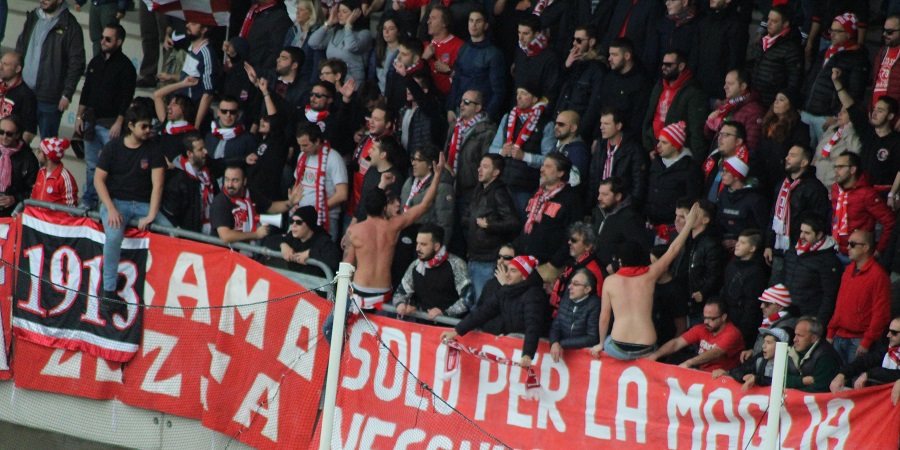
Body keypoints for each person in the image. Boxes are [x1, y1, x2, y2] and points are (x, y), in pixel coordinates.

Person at [337, 154, 446, 338]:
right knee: (379, 342)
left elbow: (346, 268)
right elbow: (425, 205)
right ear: (384, 208)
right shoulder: (393, 227)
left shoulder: (353, 231)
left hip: (358, 292)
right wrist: (437, 176)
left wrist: (343, 302)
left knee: (340, 334)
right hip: (383, 294)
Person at [590, 203, 699, 360]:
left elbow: (604, 318)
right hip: (646, 347)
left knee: (607, 342)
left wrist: (601, 344)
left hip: (618, 347)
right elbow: (673, 249)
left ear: (620, 261)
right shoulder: (650, 275)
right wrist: (689, 224)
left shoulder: (610, 281)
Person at [94, 106, 172, 299]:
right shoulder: (113, 147)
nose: (148, 130)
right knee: (113, 237)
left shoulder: (154, 149)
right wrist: (110, 208)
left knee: (171, 233)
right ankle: (109, 290)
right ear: (130, 126)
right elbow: (98, 180)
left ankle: (167, 285)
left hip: (144, 205)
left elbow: (158, 185)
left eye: (150, 126)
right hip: (116, 202)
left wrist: (151, 215)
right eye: (143, 127)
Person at [439, 255, 550, 369]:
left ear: (524, 276)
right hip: (515, 349)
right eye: (508, 270)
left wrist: (528, 354)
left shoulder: (534, 295)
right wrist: (457, 330)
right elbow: (483, 311)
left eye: (513, 271)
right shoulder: (506, 291)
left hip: (537, 355)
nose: (507, 274)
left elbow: (533, 326)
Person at [77, 24, 136, 213]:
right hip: (91, 121)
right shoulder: (95, 62)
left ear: (119, 42)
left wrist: (119, 122)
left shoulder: (126, 67)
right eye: (102, 37)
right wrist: (79, 116)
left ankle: (112, 204)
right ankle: (90, 201)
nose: (103, 41)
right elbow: (86, 91)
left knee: (113, 166)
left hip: (110, 124)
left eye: (108, 39)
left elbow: (126, 98)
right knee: (91, 166)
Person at [16, 0, 85, 140]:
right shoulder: (33, 17)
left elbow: (77, 64)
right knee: (16, 141)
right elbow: (20, 48)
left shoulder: (70, 26)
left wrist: (67, 94)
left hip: (50, 97)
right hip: (24, 91)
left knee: (48, 146)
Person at [764, 145, 830, 283]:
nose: (787, 158)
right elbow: (773, 216)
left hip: (801, 253)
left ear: (804, 162)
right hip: (778, 250)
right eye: (788, 154)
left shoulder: (815, 189)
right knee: (775, 291)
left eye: (793, 156)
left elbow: (819, 222)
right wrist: (769, 244)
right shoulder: (782, 185)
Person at [801, 13, 868, 146]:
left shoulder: (857, 59)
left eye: (837, 31)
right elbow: (810, 80)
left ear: (849, 34)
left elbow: (855, 93)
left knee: (822, 155)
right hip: (807, 111)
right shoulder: (825, 52)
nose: (832, 34)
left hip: (827, 118)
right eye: (831, 30)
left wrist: (837, 116)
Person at [827, 230, 892, 364]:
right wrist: (831, 332)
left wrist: (867, 341)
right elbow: (840, 304)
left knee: (853, 377)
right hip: (839, 336)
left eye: (852, 244)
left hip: (858, 340)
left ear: (865, 247)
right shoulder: (849, 270)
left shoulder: (878, 276)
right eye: (847, 243)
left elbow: (881, 313)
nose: (848, 247)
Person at [488, 82, 550, 215]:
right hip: (501, 183)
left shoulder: (546, 124)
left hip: (526, 188)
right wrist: (502, 151)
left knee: (520, 223)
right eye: (517, 93)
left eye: (524, 93)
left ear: (534, 99)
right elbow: (492, 149)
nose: (518, 97)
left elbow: (549, 160)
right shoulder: (507, 117)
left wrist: (525, 156)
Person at [464, 154, 519, 303]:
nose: (479, 169)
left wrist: (489, 225)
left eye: (485, 167)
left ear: (496, 172)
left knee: (483, 303)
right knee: (471, 303)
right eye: (480, 166)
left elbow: (513, 222)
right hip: (474, 256)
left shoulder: (499, 192)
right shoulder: (478, 189)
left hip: (488, 260)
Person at [833, 69, 900, 188]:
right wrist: (837, 83)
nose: (874, 113)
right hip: (861, 189)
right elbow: (850, 106)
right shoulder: (867, 131)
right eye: (874, 109)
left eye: (880, 111)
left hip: (883, 192)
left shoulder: (896, 141)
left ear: (890, 116)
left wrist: (892, 194)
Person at [209, 162, 302, 244]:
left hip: (243, 253)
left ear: (244, 181)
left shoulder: (250, 194)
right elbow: (226, 236)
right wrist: (255, 234)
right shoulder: (220, 202)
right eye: (227, 180)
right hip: (224, 255)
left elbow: (272, 207)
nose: (230, 185)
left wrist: (291, 203)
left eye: (235, 180)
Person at [518, 152, 583, 268]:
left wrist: (555, 263)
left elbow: (574, 234)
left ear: (560, 173)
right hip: (525, 261)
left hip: (549, 266)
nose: (542, 169)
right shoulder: (536, 195)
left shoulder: (571, 199)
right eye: (543, 165)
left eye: (548, 166)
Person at [394, 224, 471, 320]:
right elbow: (401, 292)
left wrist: (445, 312)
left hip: (450, 326)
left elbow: (468, 298)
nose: (417, 248)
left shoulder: (456, 265)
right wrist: (400, 304)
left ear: (436, 246)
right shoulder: (415, 265)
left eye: (423, 244)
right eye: (417, 243)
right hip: (422, 325)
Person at [642, 49, 708, 158]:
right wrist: (649, 147)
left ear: (681, 66)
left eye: (668, 65)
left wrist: (696, 159)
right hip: (655, 148)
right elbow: (649, 117)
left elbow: (697, 130)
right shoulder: (659, 86)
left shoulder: (694, 92)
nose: (663, 67)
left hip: (677, 154)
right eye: (663, 64)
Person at [645, 121, 703, 243]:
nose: (658, 145)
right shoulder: (656, 162)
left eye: (664, 142)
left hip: (674, 229)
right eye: (659, 141)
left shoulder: (690, 169)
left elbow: (692, 199)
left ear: (675, 146)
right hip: (650, 224)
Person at [647, 299, 744, 371]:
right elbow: (676, 343)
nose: (706, 322)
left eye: (711, 319)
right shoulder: (701, 328)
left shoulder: (732, 333)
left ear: (723, 317)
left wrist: (689, 363)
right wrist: (655, 355)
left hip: (723, 378)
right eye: (704, 317)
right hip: (701, 373)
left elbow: (716, 352)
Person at [831, 152, 895, 258]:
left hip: (858, 256)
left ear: (853, 170)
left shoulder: (868, 194)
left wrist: (879, 250)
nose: (836, 170)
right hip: (835, 249)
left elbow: (890, 222)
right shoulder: (835, 189)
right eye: (835, 167)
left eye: (840, 167)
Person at [444, 90, 495, 223]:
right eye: (461, 101)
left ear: (478, 108)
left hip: (470, 191)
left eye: (467, 102)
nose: (461, 105)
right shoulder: (454, 126)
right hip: (450, 186)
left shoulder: (487, 131)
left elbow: (487, 163)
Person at [782, 213, 842, 325]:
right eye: (801, 231)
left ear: (819, 235)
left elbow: (829, 296)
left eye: (807, 233)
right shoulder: (792, 251)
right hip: (786, 313)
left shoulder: (828, 260)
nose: (802, 236)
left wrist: (819, 323)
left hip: (809, 318)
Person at [446, 9, 505, 121]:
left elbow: (498, 91)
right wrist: (450, 108)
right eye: (471, 20)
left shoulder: (493, 54)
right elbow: (456, 80)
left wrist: (487, 115)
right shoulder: (463, 49)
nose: (473, 25)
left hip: (481, 113)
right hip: (459, 110)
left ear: (485, 25)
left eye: (478, 21)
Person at [157, 21, 218, 128]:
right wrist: (171, 77)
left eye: (193, 24)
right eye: (188, 22)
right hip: (180, 109)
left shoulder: (206, 54)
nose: (187, 25)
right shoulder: (192, 48)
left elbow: (208, 93)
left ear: (204, 29)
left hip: (191, 114)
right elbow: (191, 80)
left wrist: (196, 126)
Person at [293, 123, 348, 239]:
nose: (301, 149)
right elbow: (297, 184)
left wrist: (315, 210)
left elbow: (342, 194)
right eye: (300, 145)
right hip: (301, 217)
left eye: (305, 145)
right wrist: (293, 202)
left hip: (325, 218)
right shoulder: (302, 156)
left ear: (317, 141)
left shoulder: (334, 158)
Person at [161, 132, 222, 233]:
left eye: (204, 147)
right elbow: (172, 214)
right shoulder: (178, 180)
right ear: (189, 154)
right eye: (200, 149)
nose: (206, 151)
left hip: (212, 229)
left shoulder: (209, 173)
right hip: (191, 234)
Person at [756, 87, 812, 195]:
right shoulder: (768, 123)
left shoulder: (799, 129)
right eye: (776, 99)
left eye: (781, 99)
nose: (776, 102)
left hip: (782, 180)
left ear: (791, 105)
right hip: (763, 177)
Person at [589, 108, 648, 210]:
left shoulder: (634, 150)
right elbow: (593, 177)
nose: (601, 127)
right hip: (600, 203)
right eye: (601, 123)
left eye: (606, 124)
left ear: (618, 126)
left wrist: (630, 208)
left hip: (622, 206)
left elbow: (639, 184)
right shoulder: (600, 145)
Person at [554, 25, 604, 143]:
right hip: (560, 123)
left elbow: (594, 105)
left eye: (579, 40)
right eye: (574, 39)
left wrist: (581, 130)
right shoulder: (573, 63)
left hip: (577, 129)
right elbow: (556, 88)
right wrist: (566, 66)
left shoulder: (598, 69)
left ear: (591, 42)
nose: (574, 43)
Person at [690, 0, 747, 103]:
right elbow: (694, 54)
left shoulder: (736, 25)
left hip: (719, 94)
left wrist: (725, 93)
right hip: (697, 89)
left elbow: (735, 61)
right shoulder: (704, 20)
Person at [720, 229, 768, 348]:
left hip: (741, 326)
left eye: (742, 242)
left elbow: (751, 306)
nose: (737, 244)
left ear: (752, 248)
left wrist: (743, 332)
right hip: (725, 319)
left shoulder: (756, 272)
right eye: (738, 241)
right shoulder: (731, 264)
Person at [308, 0, 373, 85]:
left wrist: (348, 25)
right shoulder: (336, 31)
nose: (339, 14)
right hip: (333, 83)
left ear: (356, 14)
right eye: (339, 11)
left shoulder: (365, 34)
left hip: (352, 84)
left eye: (344, 11)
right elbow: (313, 43)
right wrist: (329, 22)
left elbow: (351, 46)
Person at [713, 327, 796, 392]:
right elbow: (739, 370)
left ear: (781, 346)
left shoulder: (790, 364)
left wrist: (757, 379)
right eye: (764, 342)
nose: (763, 346)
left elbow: (787, 383)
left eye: (769, 343)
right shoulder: (760, 360)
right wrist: (742, 376)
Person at [830, 316, 900, 393]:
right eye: (889, 331)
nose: (888, 335)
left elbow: (896, 374)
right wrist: (843, 374)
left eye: (894, 333)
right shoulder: (888, 348)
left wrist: (869, 374)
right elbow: (866, 360)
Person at [751, 5, 803, 108]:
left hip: (772, 103)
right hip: (756, 98)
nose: (768, 23)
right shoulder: (763, 40)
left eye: (774, 21)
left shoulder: (791, 48)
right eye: (768, 19)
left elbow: (794, 82)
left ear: (785, 24)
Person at [592, 176, 648, 271]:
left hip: (612, 273)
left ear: (618, 196)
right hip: (594, 266)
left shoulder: (630, 218)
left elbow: (640, 249)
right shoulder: (599, 210)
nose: (599, 198)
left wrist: (615, 266)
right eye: (599, 193)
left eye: (605, 194)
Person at [548, 222, 603, 315]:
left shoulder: (593, 270)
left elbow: (597, 303)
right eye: (569, 239)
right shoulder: (573, 264)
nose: (569, 242)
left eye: (574, 240)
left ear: (588, 246)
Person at [599, 38, 650, 139]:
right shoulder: (609, 77)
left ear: (627, 56)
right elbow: (601, 107)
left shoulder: (642, 82)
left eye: (614, 55)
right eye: (610, 54)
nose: (609, 58)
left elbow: (638, 118)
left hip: (627, 140)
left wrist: (625, 141)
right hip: (604, 137)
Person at [705, 69, 765, 153]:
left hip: (733, 159)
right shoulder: (726, 104)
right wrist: (710, 122)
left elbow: (751, 147)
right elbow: (710, 135)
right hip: (718, 155)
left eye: (730, 84)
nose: (725, 87)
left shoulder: (754, 111)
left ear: (743, 86)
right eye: (725, 83)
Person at [549, 268, 601, 362]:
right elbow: (556, 325)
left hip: (585, 360)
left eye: (575, 284)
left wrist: (561, 344)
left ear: (587, 289)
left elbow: (592, 338)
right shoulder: (567, 297)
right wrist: (554, 342)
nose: (570, 287)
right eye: (571, 283)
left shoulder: (595, 305)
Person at [739, 283, 800, 363]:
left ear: (780, 306)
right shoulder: (770, 321)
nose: (761, 306)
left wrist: (744, 367)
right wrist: (753, 351)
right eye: (762, 302)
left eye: (766, 303)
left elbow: (769, 355)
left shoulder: (784, 328)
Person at [716, 157, 768, 247]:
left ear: (736, 176)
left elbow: (763, 229)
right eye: (722, 171)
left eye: (726, 171)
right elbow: (718, 220)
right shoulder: (723, 195)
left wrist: (741, 243)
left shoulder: (755, 199)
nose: (722, 174)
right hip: (723, 244)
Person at [512, 15, 560, 112]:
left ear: (536, 34)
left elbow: (550, 91)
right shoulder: (520, 51)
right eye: (519, 32)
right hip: (517, 109)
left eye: (525, 33)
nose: (521, 38)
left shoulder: (550, 57)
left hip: (537, 112)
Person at [279, 206, 342, 276]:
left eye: (298, 222)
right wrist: (283, 245)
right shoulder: (292, 236)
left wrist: (310, 253)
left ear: (309, 224)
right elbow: (271, 240)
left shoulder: (323, 240)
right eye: (291, 221)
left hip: (317, 281)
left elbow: (334, 260)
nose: (293, 225)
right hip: (296, 280)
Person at [787, 316, 842, 393]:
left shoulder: (825, 357)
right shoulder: (792, 350)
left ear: (813, 338)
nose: (794, 339)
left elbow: (819, 389)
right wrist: (803, 381)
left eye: (800, 335)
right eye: (795, 334)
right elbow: (781, 380)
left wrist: (793, 390)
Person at [543, 110, 591, 196]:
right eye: (556, 123)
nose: (556, 127)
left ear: (573, 128)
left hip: (565, 197)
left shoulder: (579, 150)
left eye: (561, 124)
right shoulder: (557, 145)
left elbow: (575, 181)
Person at [703, 121, 751, 204]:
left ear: (738, 141)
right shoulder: (714, 159)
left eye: (725, 135)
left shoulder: (749, 165)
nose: (719, 138)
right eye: (719, 134)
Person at [812, 105, 860, 188]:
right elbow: (817, 153)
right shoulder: (831, 129)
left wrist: (849, 130)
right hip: (816, 183)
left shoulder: (854, 136)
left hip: (834, 187)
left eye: (844, 112)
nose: (839, 114)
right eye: (840, 111)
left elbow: (855, 154)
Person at [237, 0, 293, 71]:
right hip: (243, 67)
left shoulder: (281, 18)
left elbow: (275, 52)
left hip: (256, 72)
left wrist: (260, 73)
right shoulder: (254, 9)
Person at [421, 5, 463, 98]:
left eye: (433, 18)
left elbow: (467, 78)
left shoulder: (459, 46)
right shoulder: (424, 46)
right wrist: (424, 58)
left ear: (445, 23)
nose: (428, 22)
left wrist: (449, 71)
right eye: (429, 18)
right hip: (427, 99)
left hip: (451, 99)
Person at [0, 115, 38, 217]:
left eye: (9, 134)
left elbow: (33, 190)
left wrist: (15, 198)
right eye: (1, 132)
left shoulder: (29, 158)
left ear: (17, 135)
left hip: (13, 212)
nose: (4, 137)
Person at [205, 97, 259, 162]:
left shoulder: (248, 139)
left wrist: (244, 159)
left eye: (232, 112)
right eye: (224, 111)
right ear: (218, 112)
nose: (228, 115)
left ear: (238, 114)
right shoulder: (209, 135)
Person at [0, 52, 37, 143]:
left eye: (6, 64)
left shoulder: (26, 95)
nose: (1, 67)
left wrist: (15, 149)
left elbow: (29, 132)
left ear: (18, 69)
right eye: (1, 63)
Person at [31, 137, 77, 207]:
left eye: (40, 151)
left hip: (53, 214)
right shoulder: (41, 172)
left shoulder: (64, 178)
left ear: (48, 156)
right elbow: (33, 196)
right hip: (35, 213)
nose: (36, 153)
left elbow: (71, 208)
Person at [872, 15, 900, 112]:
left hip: (893, 113)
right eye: (884, 30)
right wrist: (871, 108)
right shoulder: (882, 52)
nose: (884, 34)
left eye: (889, 32)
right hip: (876, 111)